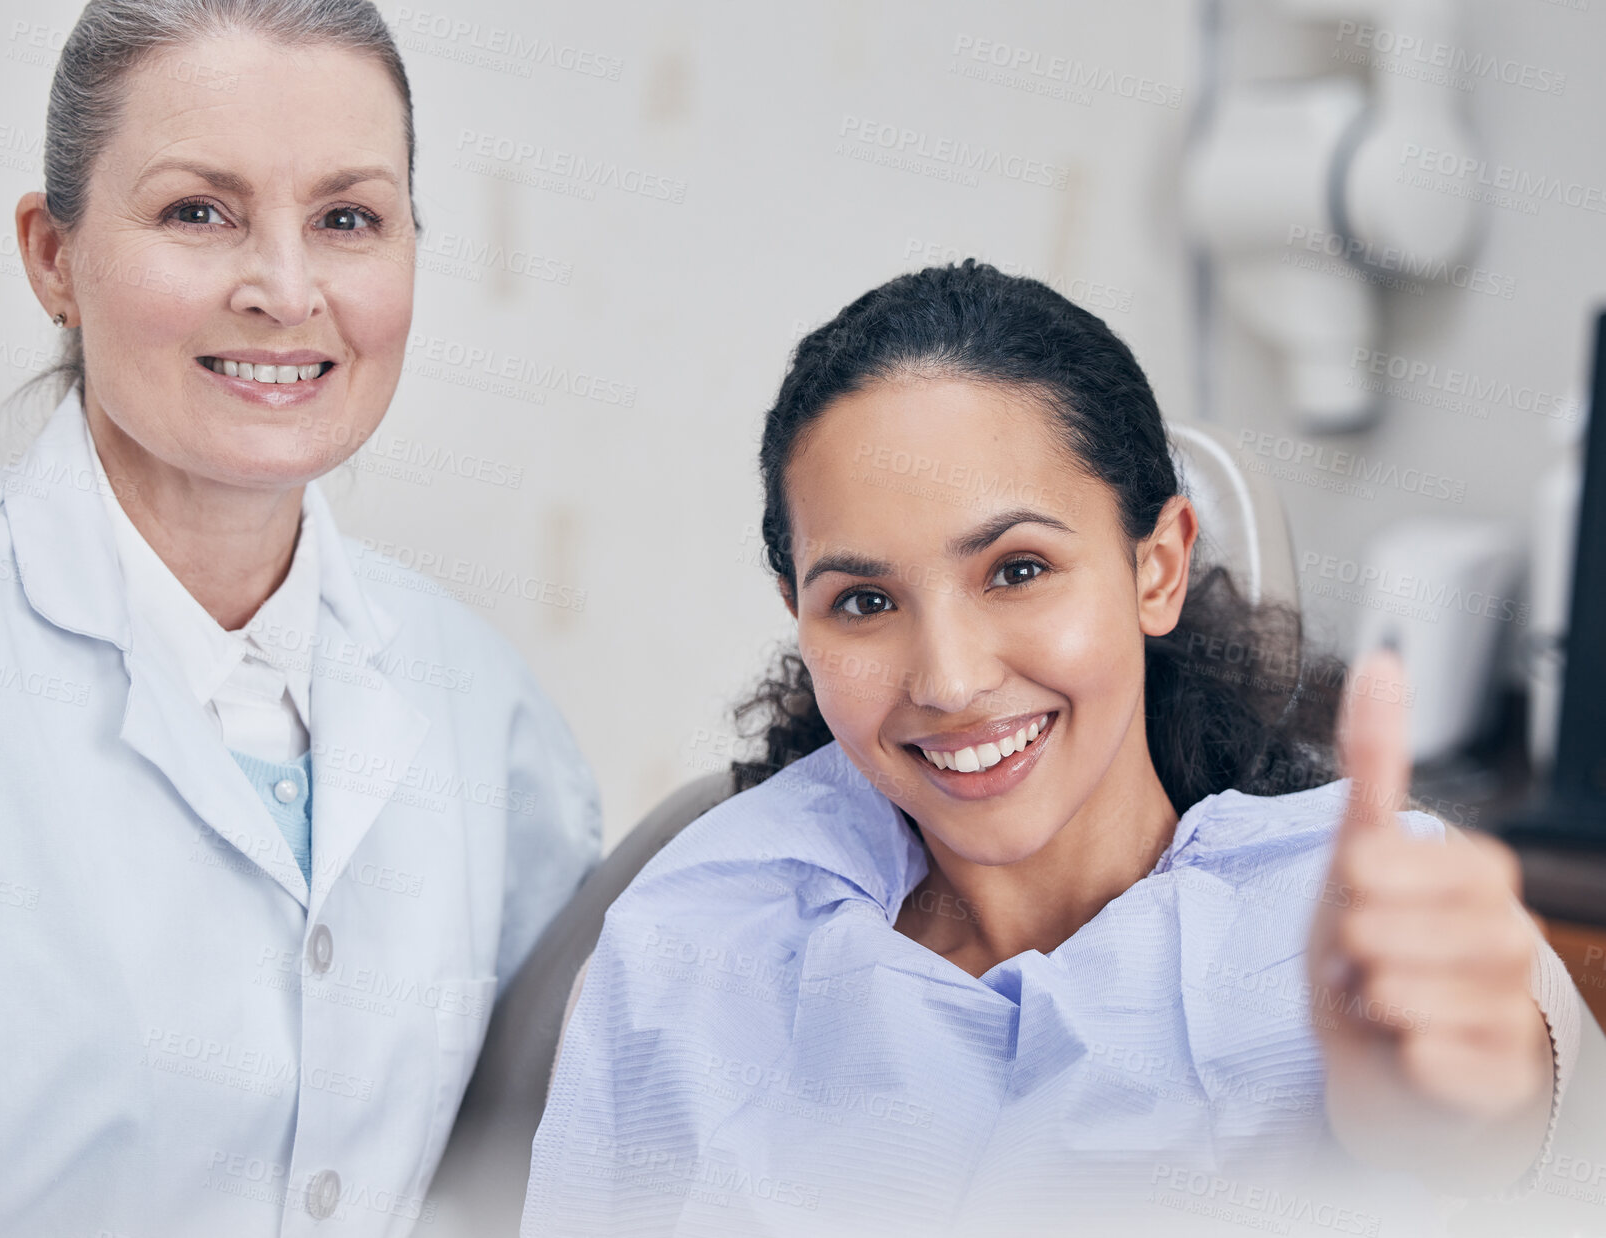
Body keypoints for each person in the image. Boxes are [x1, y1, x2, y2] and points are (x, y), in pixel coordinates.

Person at [524, 261, 1582, 1236]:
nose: (946, 677)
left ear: (1157, 567)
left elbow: (1516, 1126)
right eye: (863, 599)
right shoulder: (693, 947)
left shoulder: (1367, 918)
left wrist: (1441, 1125)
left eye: (1017, 569)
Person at [0, 3, 599, 1235]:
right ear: (53, 256)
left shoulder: (479, 706)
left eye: (347, 219)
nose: (284, 288)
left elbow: (543, 1149)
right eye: (198, 212)